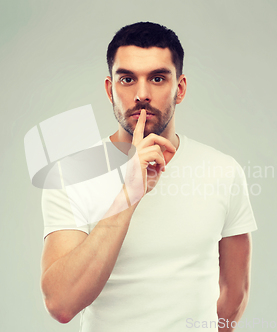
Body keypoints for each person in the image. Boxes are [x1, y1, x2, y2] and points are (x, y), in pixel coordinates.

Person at [40, 22, 257, 332]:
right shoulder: (70, 173)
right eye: (127, 79)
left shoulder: (223, 170)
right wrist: (129, 193)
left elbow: (235, 294)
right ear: (109, 89)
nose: (142, 94)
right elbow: (61, 303)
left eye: (157, 78)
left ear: (179, 89)